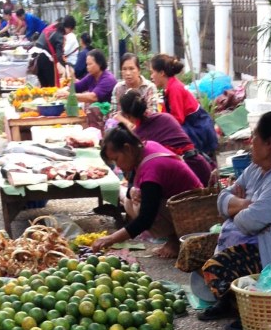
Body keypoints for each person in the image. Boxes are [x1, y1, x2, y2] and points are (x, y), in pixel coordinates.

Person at [197, 111, 271, 330]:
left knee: (216, 268)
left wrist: (237, 207)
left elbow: (248, 223)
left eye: (255, 136)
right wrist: (247, 204)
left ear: (269, 144)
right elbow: (222, 200)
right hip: (250, 244)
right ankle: (230, 301)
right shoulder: (256, 169)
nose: (251, 142)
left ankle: (251, 311)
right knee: (195, 249)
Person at [91, 125, 203, 258]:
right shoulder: (144, 148)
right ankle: (173, 237)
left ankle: (176, 239)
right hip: (180, 203)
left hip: (194, 212)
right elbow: (132, 183)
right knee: (129, 200)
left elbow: (145, 219)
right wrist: (132, 190)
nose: (117, 165)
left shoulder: (152, 169)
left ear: (127, 148)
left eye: (116, 159)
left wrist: (110, 239)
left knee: (139, 206)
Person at [116, 90, 213, 185]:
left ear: (127, 116)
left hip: (181, 179)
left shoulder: (137, 138)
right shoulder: (166, 117)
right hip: (202, 168)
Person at [150, 54, 219, 164]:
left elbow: (177, 119)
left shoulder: (174, 89)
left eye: (153, 72)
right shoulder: (169, 88)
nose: (151, 76)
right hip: (190, 125)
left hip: (196, 128)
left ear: (162, 73)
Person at [32, 15, 75, 88]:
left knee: (44, 86)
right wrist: (66, 68)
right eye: (71, 30)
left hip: (35, 56)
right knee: (52, 87)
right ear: (69, 28)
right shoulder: (60, 35)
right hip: (45, 59)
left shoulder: (53, 27)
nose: (70, 32)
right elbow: (59, 55)